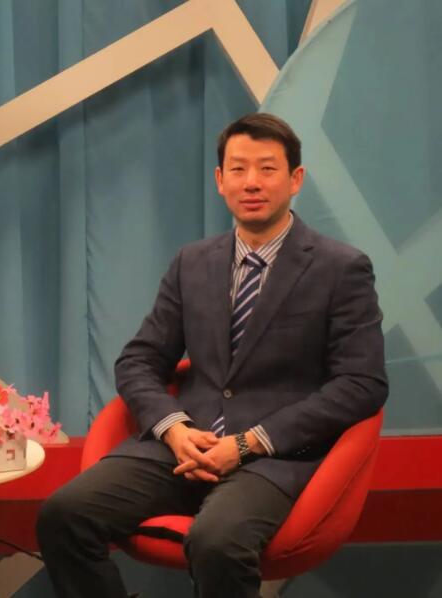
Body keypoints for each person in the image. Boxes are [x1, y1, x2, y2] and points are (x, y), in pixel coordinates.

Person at [37, 113, 388, 597]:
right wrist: (174, 429)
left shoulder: (341, 268)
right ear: (220, 180)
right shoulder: (192, 262)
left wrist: (248, 443)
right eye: (238, 169)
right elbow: (139, 361)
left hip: (271, 457)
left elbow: (362, 384)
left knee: (217, 542)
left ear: (295, 179)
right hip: (183, 448)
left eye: (267, 168)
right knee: (62, 515)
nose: (252, 182)